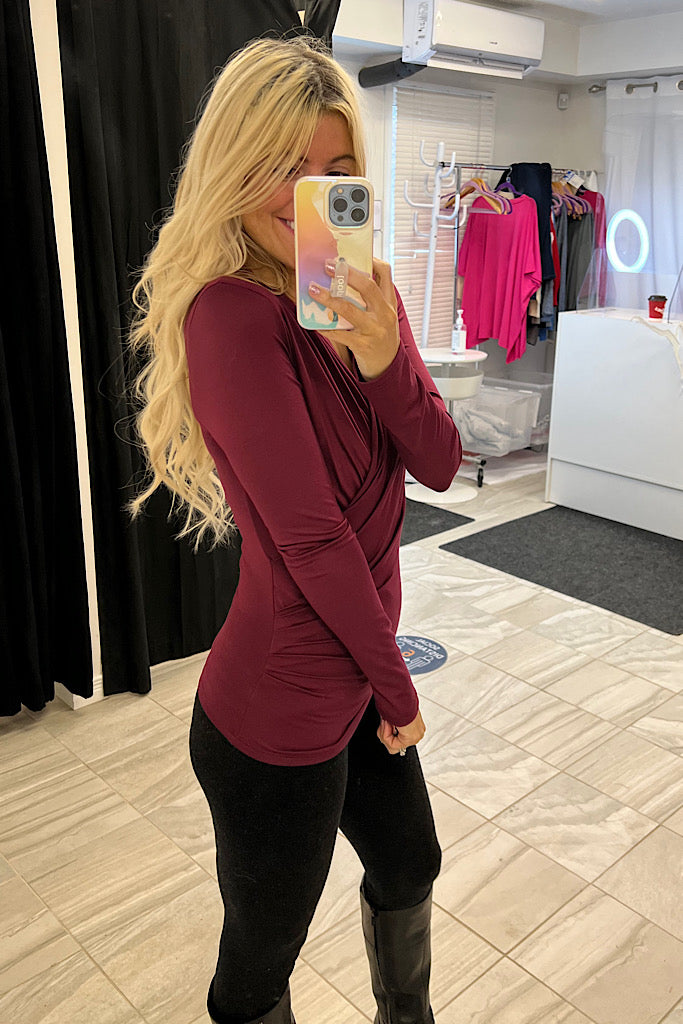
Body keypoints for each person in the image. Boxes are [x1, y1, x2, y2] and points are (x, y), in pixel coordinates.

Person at [130, 34, 462, 1024]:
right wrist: (399, 686)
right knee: (261, 957)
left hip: (357, 671)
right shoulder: (229, 318)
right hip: (275, 711)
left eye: (333, 168)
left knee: (410, 861)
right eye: (280, 163)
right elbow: (313, 541)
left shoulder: (365, 294)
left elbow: (441, 463)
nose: (304, 192)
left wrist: (381, 353)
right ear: (234, 168)